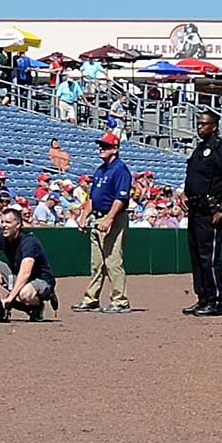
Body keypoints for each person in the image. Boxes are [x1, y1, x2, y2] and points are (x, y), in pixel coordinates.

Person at [182, 107, 222, 315]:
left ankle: (217, 301)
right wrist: (184, 194)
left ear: (214, 126)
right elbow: (193, 178)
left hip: (211, 209)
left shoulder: (221, 149)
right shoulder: (199, 149)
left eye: (203, 124)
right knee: (197, 257)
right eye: (197, 123)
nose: (199, 127)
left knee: (210, 257)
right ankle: (203, 298)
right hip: (195, 209)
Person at [78, 130, 134, 312]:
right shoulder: (100, 170)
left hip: (114, 218)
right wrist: (84, 217)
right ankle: (91, 299)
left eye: (106, 146)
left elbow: (121, 199)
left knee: (113, 261)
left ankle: (120, 301)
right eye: (101, 145)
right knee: (97, 263)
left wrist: (109, 219)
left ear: (115, 149)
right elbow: (93, 198)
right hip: (97, 217)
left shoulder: (120, 170)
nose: (101, 149)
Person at [0, 205, 56, 322]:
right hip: (19, 276)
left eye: (8, 222)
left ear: (18, 225)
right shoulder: (3, 236)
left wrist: (9, 299)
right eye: (2, 222)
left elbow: (25, 273)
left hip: (40, 280)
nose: (4, 226)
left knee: (24, 294)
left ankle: (37, 306)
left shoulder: (29, 242)